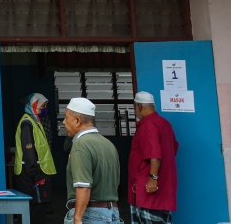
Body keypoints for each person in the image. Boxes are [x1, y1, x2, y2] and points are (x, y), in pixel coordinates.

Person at [63, 97, 120, 224]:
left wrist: (77, 219)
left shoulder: (81, 144)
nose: (63, 122)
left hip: (90, 215)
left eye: (66, 117)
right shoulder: (108, 144)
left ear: (77, 120)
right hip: (112, 213)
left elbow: (83, 186)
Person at [128, 92, 178, 224]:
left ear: (139, 106)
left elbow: (155, 155)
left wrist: (153, 178)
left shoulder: (148, 125)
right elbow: (173, 149)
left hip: (147, 192)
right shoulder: (165, 124)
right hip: (163, 191)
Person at [14, 94, 57, 224]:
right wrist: (34, 171)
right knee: (35, 205)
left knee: (39, 205)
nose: (44, 109)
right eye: (42, 106)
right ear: (34, 105)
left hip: (37, 170)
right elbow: (29, 149)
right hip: (32, 173)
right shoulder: (27, 123)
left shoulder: (35, 121)